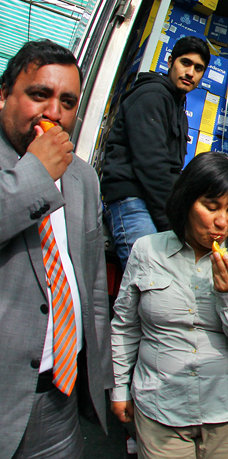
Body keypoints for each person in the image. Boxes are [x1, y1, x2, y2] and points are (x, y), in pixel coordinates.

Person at [110, 152, 228, 459]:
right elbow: (125, 327)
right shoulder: (147, 250)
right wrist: (119, 389)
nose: (222, 221)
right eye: (211, 207)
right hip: (160, 411)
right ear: (186, 200)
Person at [0, 40, 112, 459]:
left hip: (58, 398)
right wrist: (35, 174)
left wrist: (103, 378)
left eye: (67, 101)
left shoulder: (82, 177)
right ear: (3, 95)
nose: (54, 113)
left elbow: (92, 285)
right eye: (39, 95)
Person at [100, 35, 210, 268]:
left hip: (152, 200)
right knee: (148, 278)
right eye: (185, 63)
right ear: (170, 62)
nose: (190, 73)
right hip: (131, 199)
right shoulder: (152, 96)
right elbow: (152, 166)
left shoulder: (177, 104)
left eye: (198, 68)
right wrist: (170, 222)